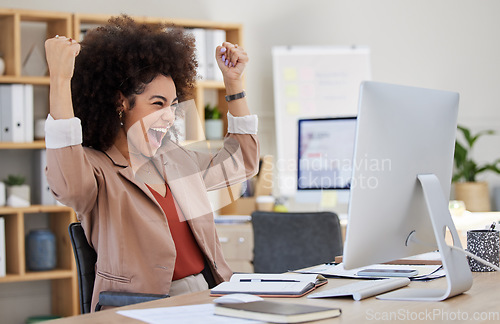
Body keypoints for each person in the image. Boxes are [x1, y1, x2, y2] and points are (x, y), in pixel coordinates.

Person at [44, 15, 259, 311]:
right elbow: (67, 184)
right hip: (139, 309)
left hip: (208, 293)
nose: (170, 116)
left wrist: (234, 85)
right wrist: (59, 79)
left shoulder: (174, 158)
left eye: (172, 105)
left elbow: (242, 164)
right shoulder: (96, 169)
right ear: (121, 102)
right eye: (157, 103)